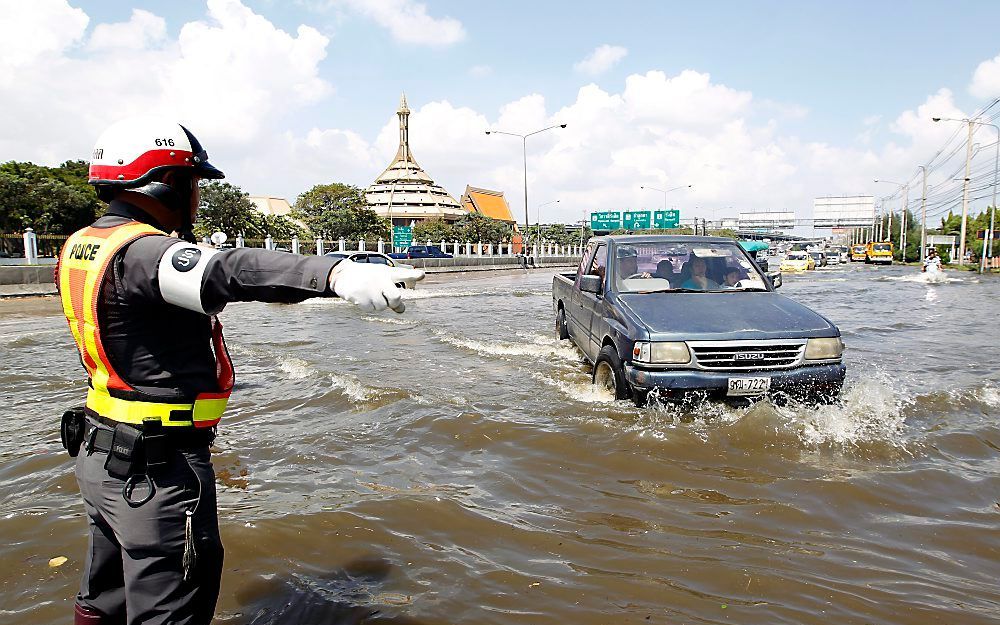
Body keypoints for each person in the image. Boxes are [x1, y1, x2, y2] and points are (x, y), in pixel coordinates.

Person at [56, 116, 423, 625]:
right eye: (195, 184)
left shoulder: (86, 244)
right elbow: (227, 271)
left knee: (104, 598)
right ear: (169, 183)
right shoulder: (144, 253)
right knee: (170, 610)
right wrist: (333, 273)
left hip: (101, 452)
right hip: (155, 470)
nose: (199, 197)